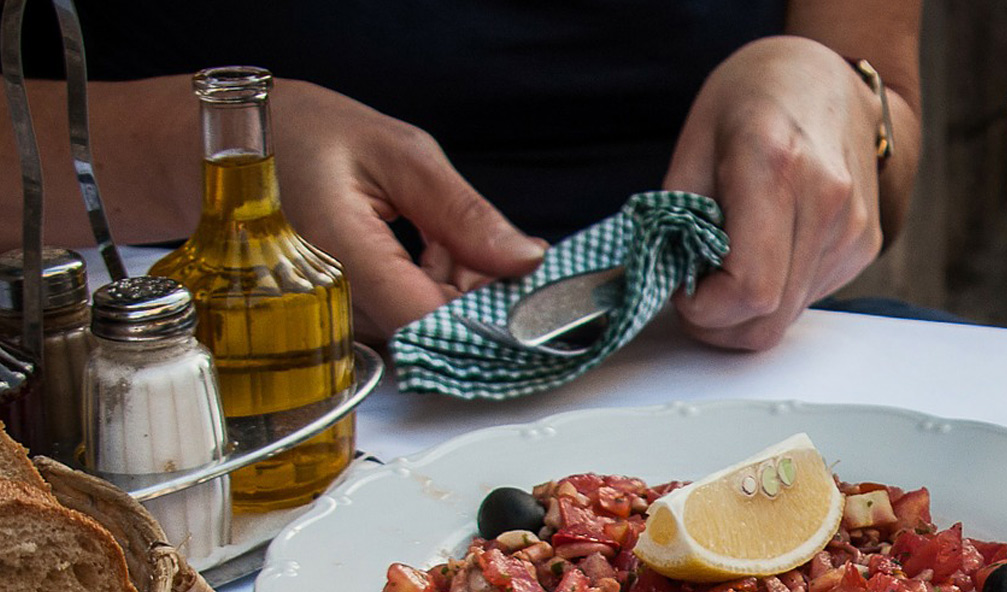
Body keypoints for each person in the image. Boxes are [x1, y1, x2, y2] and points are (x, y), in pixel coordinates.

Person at [3, 0, 921, 350]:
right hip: (199, 366)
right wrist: (205, 157)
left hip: (710, 358)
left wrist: (835, 94)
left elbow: (892, 132)